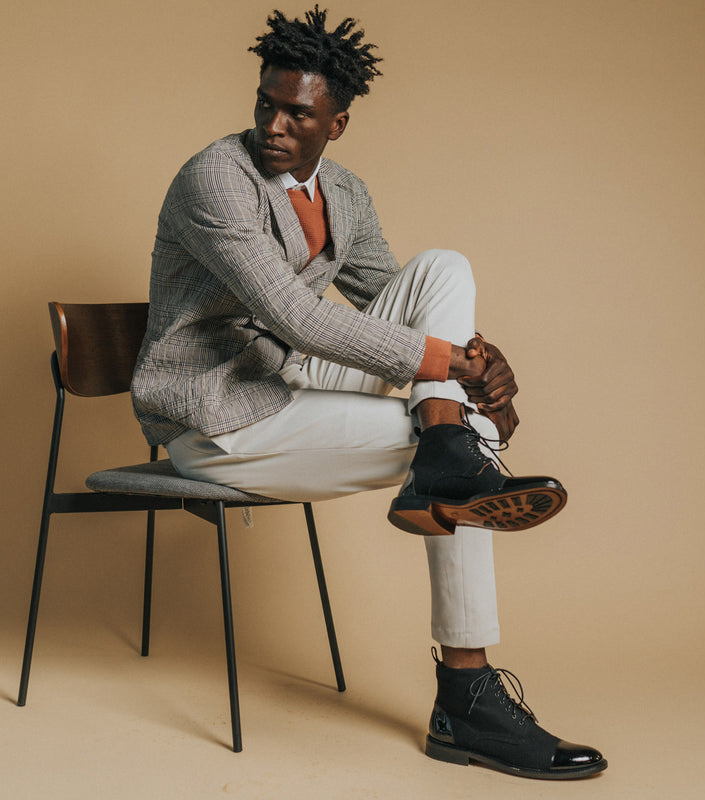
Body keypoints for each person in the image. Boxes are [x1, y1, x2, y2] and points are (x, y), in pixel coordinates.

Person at [131, 7, 606, 780]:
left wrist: (481, 361)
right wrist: (458, 369)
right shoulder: (214, 177)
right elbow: (296, 315)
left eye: (297, 113)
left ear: (337, 123)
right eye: (266, 103)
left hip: (286, 380)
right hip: (218, 418)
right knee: (470, 456)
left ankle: (450, 447)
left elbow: (397, 295)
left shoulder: (344, 194)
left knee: (444, 268)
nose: (273, 125)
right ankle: (466, 695)